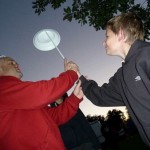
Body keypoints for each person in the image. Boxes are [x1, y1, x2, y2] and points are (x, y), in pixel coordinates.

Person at [79, 12, 150, 147]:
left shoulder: (147, 54)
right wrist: (78, 76)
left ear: (121, 35)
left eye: (107, 36)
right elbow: (100, 96)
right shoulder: (121, 77)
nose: (103, 42)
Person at [0, 55, 83, 150]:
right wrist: (71, 74)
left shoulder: (22, 98)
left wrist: (75, 98)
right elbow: (43, 91)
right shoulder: (2, 88)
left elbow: (54, 116)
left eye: (15, 62)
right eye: (11, 62)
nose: (16, 64)